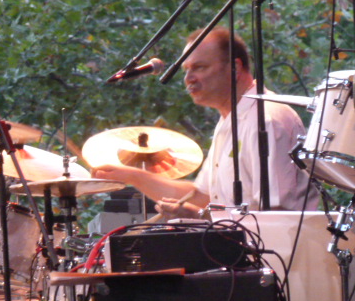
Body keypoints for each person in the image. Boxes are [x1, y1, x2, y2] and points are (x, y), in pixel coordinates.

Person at [94, 26, 319, 219]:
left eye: (199, 67)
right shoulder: (229, 120)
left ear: (235, 68)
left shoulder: (267, 121)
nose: (188, 78)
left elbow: (276, 214)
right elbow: (202, 197)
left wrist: (201, 216)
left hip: (278, 254)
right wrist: (132, 175)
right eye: (186, 70)